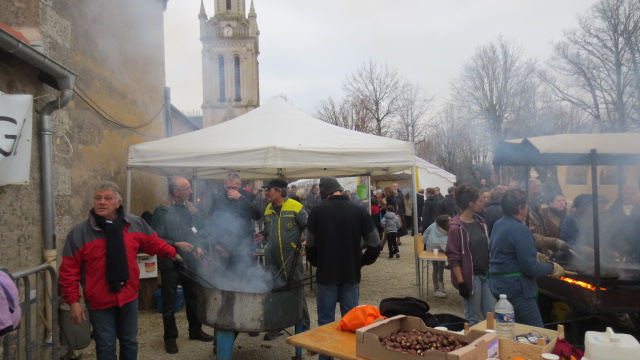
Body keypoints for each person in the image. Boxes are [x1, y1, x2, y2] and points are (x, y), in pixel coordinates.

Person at [59, 181, 180, 360]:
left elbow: (154, 243)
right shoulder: (79, 234)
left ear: (118, 203)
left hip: (128, 296)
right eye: (98, 198)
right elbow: (69, 271)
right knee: (106, 345)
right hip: (99, 300)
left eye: (108, 198)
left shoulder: (135, 224)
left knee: (129, 341)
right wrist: (74, 302)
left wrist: (173, 253)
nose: (102, 202)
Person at [306, 176, 381, 360]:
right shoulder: (358, 210)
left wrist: (317, 262)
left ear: (324, 194)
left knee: (325, 322)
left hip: (326, 274)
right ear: (339, 189)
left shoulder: (317, 211)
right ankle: (349, 356)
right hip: (351, 273)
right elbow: (375, 242)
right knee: (351, 322)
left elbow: (310, 245)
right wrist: (362, 261)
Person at [489, 189, 570, 327]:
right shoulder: (521, 230)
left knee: (511, 330)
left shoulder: (499, 224)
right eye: (526, 205)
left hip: (498, 285)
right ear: (520, 208)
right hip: (517, 289)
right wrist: (551, 267)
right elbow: (530, 268)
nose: (527, 208)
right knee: (536, 332)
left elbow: (505, 252)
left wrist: (535, 255)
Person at [151, 177, 213, 354]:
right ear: (176, 192)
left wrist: (200, 246)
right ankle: (170, 338)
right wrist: (176, 244)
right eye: (187, 188)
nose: (191, 191)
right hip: (170, 260)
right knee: (169, 302)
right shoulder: (162, 211)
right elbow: (155, 238)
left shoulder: (192, 209)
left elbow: (201, 231)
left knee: (193, 297)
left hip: (192, 260)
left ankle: (195, 331)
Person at [254, 179, 310, 351]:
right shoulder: (268, 209)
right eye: (265, 190)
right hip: (272, 258)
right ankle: (277, 326)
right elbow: (268, 229)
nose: (266, 192)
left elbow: (308, 226)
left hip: (290, 257)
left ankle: (304, 328)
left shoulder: (295, 206)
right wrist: (262, 235)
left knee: (296, 290)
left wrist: (306, 240)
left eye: (268, 189)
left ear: (279, 191)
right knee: (274, 290)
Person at [445, 184, 495, 326]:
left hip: (486, 275)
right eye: (480, 200)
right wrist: (461, 283)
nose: (483, 202)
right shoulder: (456, 227)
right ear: (471, 204)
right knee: (472, 317)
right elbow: (453, 257)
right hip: (470, 278)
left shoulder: (481, 222)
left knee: (491, 315)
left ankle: (490, 345)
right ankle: (472, 346)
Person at [207, 173, 262, 276]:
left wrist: (241, 198)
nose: (231, 190)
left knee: (246, 276)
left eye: (234, 188)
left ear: (240, 185)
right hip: (225, 247)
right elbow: (211, 222)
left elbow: (257, 215)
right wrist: (216, 244)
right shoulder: (218, 198)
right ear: (224, 185)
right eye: (228, 187)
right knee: (228, 277)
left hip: (244, 246)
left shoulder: (248, 196)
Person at [526, 179, 570, 255]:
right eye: (534, 194)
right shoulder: (523, 210)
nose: (537, 197)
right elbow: (530, 236)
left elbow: (542, 231)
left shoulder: (537, 208)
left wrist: (546, 249)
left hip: (542, 252)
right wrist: (554, 242)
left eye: (539, 194)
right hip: (532, 253)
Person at [423, 214, 451, 298]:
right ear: (445, 224)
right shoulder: (442, 236)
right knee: (436, 268)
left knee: (441, 266)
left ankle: (440, 284)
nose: (452, 221)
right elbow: (448, 249)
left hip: (432, 248)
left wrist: (424, 241)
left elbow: (426, 232)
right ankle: (436, 289)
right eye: (450, 220)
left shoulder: (435, 224)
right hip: (433, 251)